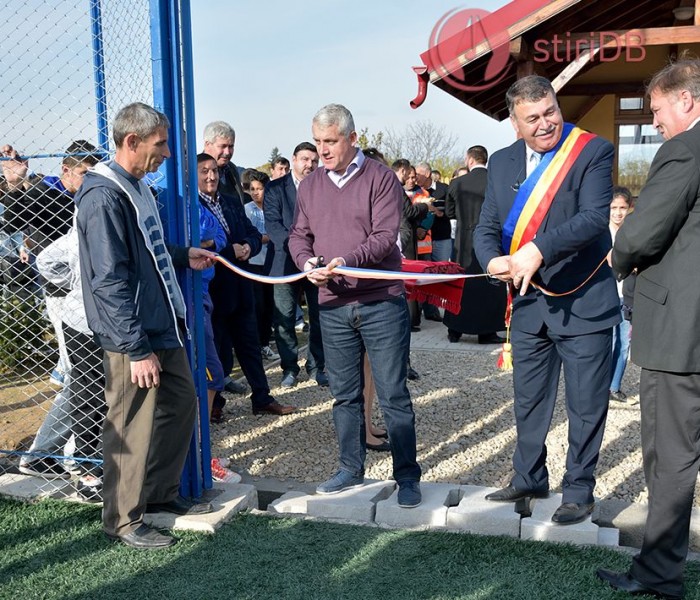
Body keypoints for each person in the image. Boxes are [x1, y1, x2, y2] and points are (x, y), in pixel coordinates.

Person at [473, 75, 620, 525]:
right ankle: (528, 476)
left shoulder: (591, 151)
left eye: (550, 112)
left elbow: (595, 217)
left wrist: (538, 249)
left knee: (585, 404)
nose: (544, 124)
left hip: (584, 301)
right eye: (532, 118)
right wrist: (492, 260)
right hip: (528, 305)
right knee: (528, 399)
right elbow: (485, 227)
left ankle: (578, 489)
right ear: (514, 124)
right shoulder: (500, 163)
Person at [76, 102, 216, 549]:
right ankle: (122, 519)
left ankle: (156, 497)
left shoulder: (135, 187)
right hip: (132, 332)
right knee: (130, 421)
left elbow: (145, 251)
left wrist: (181, 255)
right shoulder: (103, 196)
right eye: (161, 144)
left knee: (180, 402)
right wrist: (135, 349)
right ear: (131, 142)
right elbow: (109, 279)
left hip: (161, 322)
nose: (169, 153)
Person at [596, 57, 700, 600]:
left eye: (657, 109)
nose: (654, 121)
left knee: (670, 456)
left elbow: (642, 232)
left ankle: (659, 574)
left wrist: (616, 258)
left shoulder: (685, 148)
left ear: (685, 100)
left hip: (682, 336)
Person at [288, 103, 422, 508]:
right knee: (344, 394)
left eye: (330, 141)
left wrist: (345, 261)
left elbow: (385, 237)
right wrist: (307, 262)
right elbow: (298, 235)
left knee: (392, 392)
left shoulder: (380, 178)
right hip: (331, 304)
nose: (323, 150)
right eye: (317, 141)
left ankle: (407, 476)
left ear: (352, 139)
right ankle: (350, 467)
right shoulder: (310, 185)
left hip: (380, 301)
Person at [199, 153, 295, 417]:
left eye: (214, 171)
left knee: (250, 346)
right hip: (214, 290)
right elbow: (203, 247)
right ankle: (214, 404)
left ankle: (262, 398)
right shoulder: (191, 207)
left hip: (241, 286)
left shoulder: (231, 202)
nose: (211, 176)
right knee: (216, 349)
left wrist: (248, 247)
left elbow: (252, 233)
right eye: (204, 171)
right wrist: (232, 249)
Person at [264, 142, 327, 388]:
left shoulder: (323, 187)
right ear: (294, 159)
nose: (310, 164)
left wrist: (314, 256)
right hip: (284, 261)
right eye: (305, 159)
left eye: (314, 160)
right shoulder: (275, 188)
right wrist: (300, 253)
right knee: (284, 319)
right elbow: (274, 226)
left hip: (317, 261)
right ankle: (289, 368)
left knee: (319, 316)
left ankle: (316, 366)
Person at [443, 145, 506, 345]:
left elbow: (449, 212)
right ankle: (486, 331)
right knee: (488, 283)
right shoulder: (495, 181)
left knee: (461, 283)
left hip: (463, 240)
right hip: (489, 238)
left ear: (470, 160)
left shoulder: (457, 183)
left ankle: (455, 329)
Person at [243, 170, 279, 362]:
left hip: (271, 262)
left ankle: (265, 343)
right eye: (253, 189)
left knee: (268, 307)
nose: (256, 193)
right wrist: (266, 238)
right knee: (257, 305)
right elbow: (250, 236)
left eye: (260, 188)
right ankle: (256, 344)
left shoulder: (273, 207)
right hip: (253, 263)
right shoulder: (247, 210)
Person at [607, 186, 635, 405]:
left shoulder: (634, 233)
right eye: (614, 207)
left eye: (622, 208)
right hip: (606, 295)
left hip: (627, 296)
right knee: (609, 340)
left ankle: (614, 385)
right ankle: (602, 384)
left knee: (624, 343)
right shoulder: (601, 233)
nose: (618, 213)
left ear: (629, 208)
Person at [203, 121, 246, 206]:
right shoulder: (195, 171)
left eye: (231, 146)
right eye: (223, 146)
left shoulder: (232, 169)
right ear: (207, 145)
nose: (227, 152)